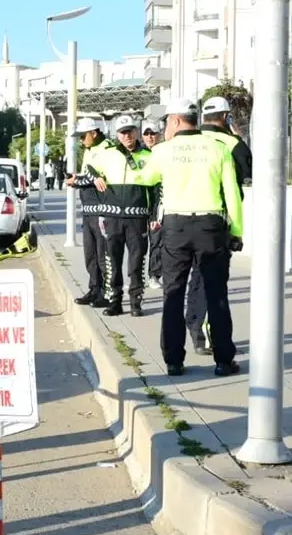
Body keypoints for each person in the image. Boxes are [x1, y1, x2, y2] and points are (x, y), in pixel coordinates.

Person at [133, 98, 244, 376]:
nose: (165, 127)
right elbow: (232, 193)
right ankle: (223, 360)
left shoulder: (163, 151)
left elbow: (145, 179)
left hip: (176, 227)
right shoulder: (218, 148)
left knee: (173, 292)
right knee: (216, 294)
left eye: (167, 121)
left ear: (176, 121)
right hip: (210, 225)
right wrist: (237, 231)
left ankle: (173, 360)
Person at [185, 96, 255, 354]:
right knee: (213, 278)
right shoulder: (232, 144)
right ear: (226, 117)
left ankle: (194, 324)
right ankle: (207, 331)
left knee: (196, 274)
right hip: (219, 217)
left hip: (185, 216)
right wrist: (238, 137)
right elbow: (248, 174)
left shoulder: (190, 141)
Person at [96, 114, 156, 316]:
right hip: (112, 218)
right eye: (123, 132)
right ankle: (115, 302)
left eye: (130, 131)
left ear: (136, 131)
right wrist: (95, 177)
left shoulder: (149, 156)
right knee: (112, 261)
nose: (127, 135)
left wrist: (155, 216)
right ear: (117, 135)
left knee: (137, 262)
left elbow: (157, 190)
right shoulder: (108, 154)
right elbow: (89, 170)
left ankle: (136, 302)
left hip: (138, 219)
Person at [66, 116, 114, 307]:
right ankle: (94, 289)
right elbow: (91, 176)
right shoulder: (90, 150)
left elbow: (102, 180)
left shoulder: (107, 149)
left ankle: (108, 293)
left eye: (82, 136)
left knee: (104, 256)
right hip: (88, 210)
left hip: (101, 210)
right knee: (90, 255)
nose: (80, 140)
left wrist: (77, 181)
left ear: (94, 133)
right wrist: (77, 178)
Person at [141, 121, 164, 290]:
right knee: (138, 244)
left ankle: (154, 274)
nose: (150, 136)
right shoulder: (139, 154)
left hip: (158, 204)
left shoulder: (164, 152)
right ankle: (137, 275)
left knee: (157, 241)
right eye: (146, 133)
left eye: (153, 133)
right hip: (139, 204)